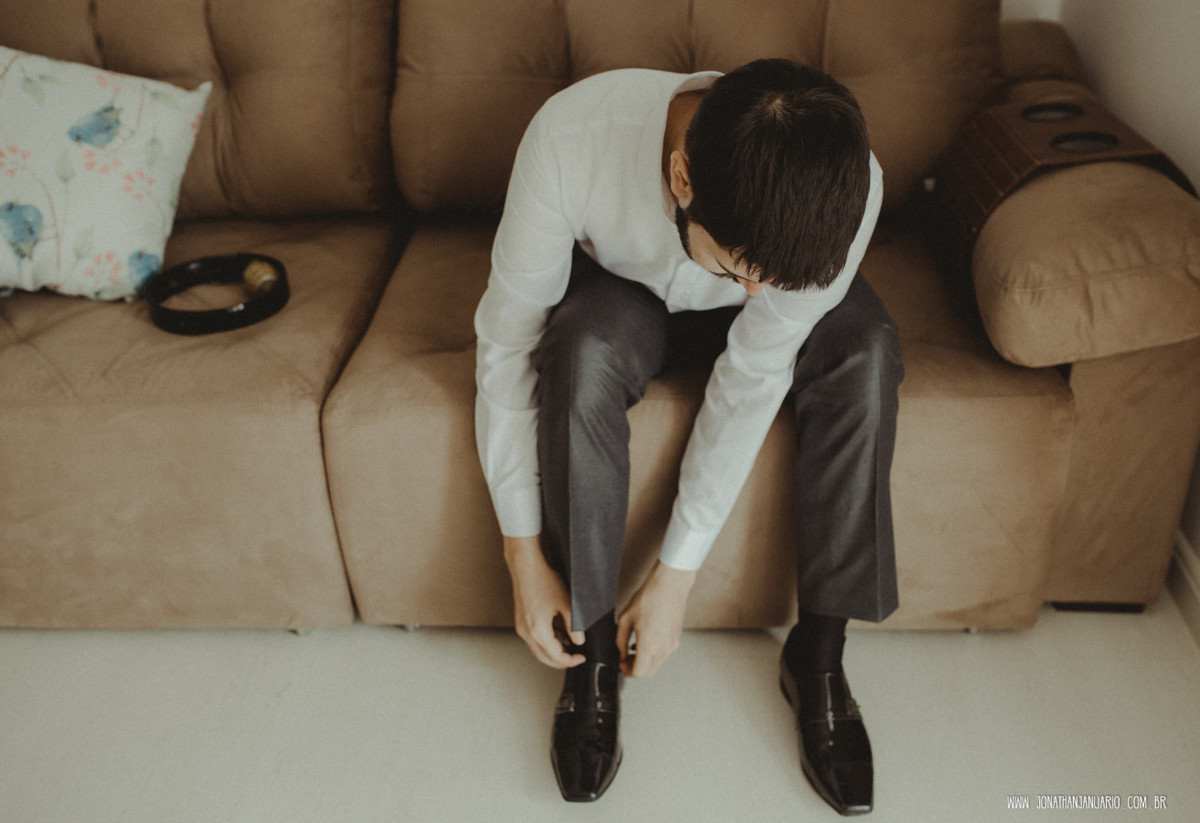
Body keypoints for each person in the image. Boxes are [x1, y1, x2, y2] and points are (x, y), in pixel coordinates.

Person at [474, 57, 901, 814]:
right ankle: (591, 650)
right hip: (627, 298)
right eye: (739, 273)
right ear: (681, 177)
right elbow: (508, 343)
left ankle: (821, 654)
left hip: (778, 322)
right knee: (577, 352)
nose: (752, 297)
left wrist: (676, 573)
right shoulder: (571, 138)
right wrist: (520, 548)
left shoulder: (850, 185)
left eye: (770, 282)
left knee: (867, 351)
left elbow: (754, 372)